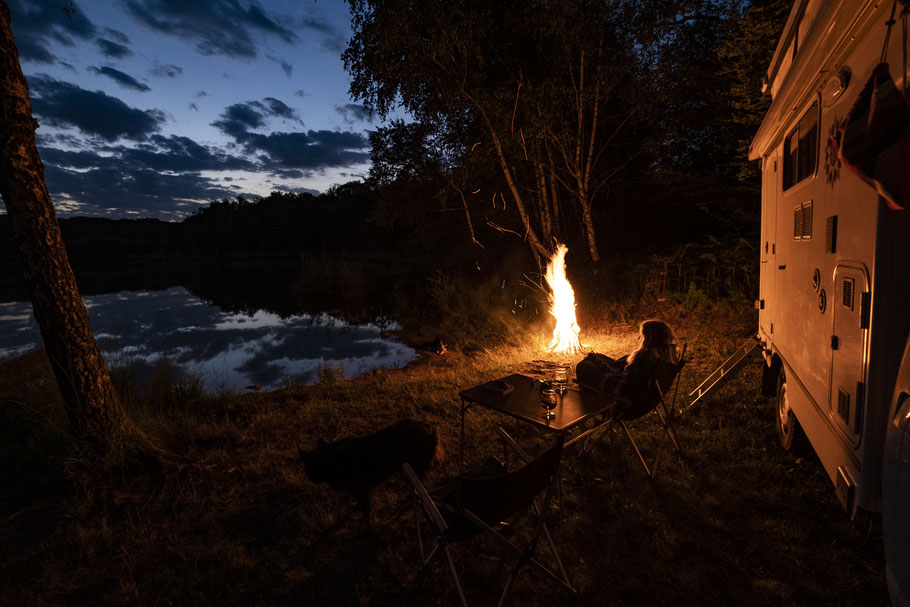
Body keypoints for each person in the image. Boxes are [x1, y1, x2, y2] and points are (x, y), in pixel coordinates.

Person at [576, 320, 679, 418]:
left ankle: (587, 400)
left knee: (584, 367)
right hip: (641, 401)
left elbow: (623, 384)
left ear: (648, 339)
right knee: (598, 358)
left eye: (642, 336)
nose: (639, 339)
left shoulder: (645, 361)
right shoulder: (663, 357)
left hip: (623, 405)